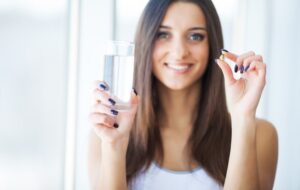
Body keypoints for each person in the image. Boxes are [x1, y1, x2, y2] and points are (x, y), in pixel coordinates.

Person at [88, 0, 278, 189]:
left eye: (195, 36)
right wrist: (115, 144)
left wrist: (243, 117)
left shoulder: (260, 134)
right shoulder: (105, 135)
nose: (179, 52)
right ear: (146, 40)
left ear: (212, 44)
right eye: (163, 34)